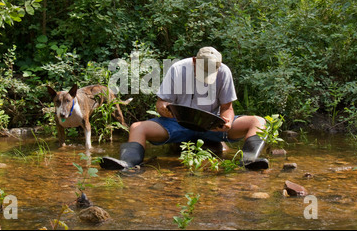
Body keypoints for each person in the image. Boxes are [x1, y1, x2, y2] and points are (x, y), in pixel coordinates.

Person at [100, 46, 268, 171]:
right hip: (177, 123)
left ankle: (249, 161)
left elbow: (227, 107)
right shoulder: (178, 69)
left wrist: (228, 120)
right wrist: (164, 108)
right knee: (137, 127)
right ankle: (128, 164)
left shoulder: (224, 72)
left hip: (212, 125)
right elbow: (161, 103)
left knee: (258, 121)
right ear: (194, 61)